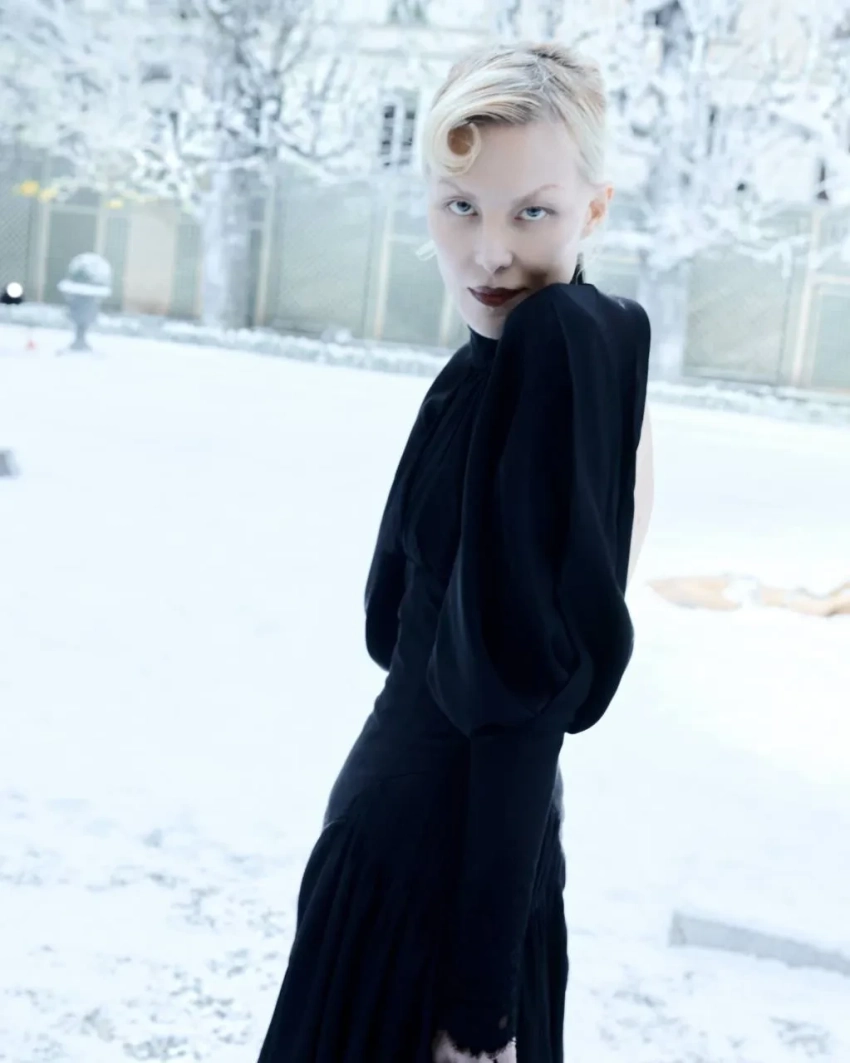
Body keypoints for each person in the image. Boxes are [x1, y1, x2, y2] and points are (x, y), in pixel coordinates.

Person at [257, 40, 654, 1063]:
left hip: (439, 887)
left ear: (594, 210)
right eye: (461, 206)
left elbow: (521, 710)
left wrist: (479, 1015)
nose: (488, 254)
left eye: (533, 212)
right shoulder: (488, 366)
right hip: (411, 865)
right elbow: (407, 626)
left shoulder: (558, 351)